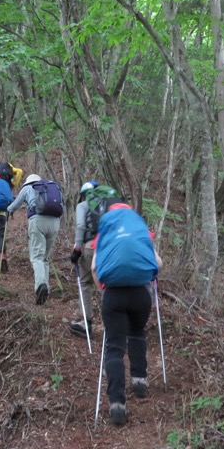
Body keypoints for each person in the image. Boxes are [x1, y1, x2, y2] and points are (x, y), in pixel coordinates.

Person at [92, 203, 162, 427]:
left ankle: (117, 404)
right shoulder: (141, 231)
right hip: (141, 294)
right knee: (137, 333)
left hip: (113, 294)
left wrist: (102, 291)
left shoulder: (105, 233)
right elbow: (159, 263)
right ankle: (140, 381)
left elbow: (94, 268)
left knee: (114, 347)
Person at [7, 173, 64, 305]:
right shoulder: (52, 189)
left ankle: (41, 285)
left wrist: (8, 210)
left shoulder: (27, 188)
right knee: (45, 257)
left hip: (37, 221)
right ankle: (46, 290)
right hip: (55, 223)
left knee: (37, 257)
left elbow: (15, 204)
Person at [68, 180, 101, 338]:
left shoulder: (83, 205)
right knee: (106, 284)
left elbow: (81, 225)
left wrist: (76, 248)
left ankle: (85, 322)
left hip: (90, 247)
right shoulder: (107, 206)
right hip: (109, 248)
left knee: (85, 282)